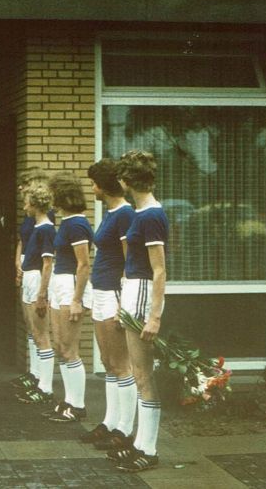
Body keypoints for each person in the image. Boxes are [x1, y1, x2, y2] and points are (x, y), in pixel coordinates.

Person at [108, 150, 168, 472]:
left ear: (126, 181)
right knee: (138, 373)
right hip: (133, 290)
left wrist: (154, 316)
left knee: (144, 375)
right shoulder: (141, 213)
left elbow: (159, 270)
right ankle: (140, 444)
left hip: (144, 292)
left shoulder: (151, 216)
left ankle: (149, 449)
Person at [79, 159, 137, 449]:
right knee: (108, 362)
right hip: (101, 291)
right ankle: (111, 421)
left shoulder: (125, 214)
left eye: (94, 183)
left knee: (121, 364)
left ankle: (125, 429)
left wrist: (124, 304)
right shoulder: (111, 212)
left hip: (115, 293)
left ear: (103, 186)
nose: (92, 189)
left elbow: (130, 260)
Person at [45, 172, 93, 423]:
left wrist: (77, 300)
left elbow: (83, 264)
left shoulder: (77, 224)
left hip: (71, 286)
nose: (50, 197)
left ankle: (78, 405)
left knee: (70, 349)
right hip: (59, 282)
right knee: (61, 346)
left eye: (53, 193)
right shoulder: (66, 222)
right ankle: (69, 400)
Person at [10, 168, 53, 391]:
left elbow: (47, 258)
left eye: (26, 183)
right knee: (30, 326)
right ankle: (34, 373)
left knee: (39, 330)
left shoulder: (45, 218)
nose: (20, 188)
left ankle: (43, 383)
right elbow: (22, 240)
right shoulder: (29, 218)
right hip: (27, 267)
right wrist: (18, 262)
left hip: (36, 271)